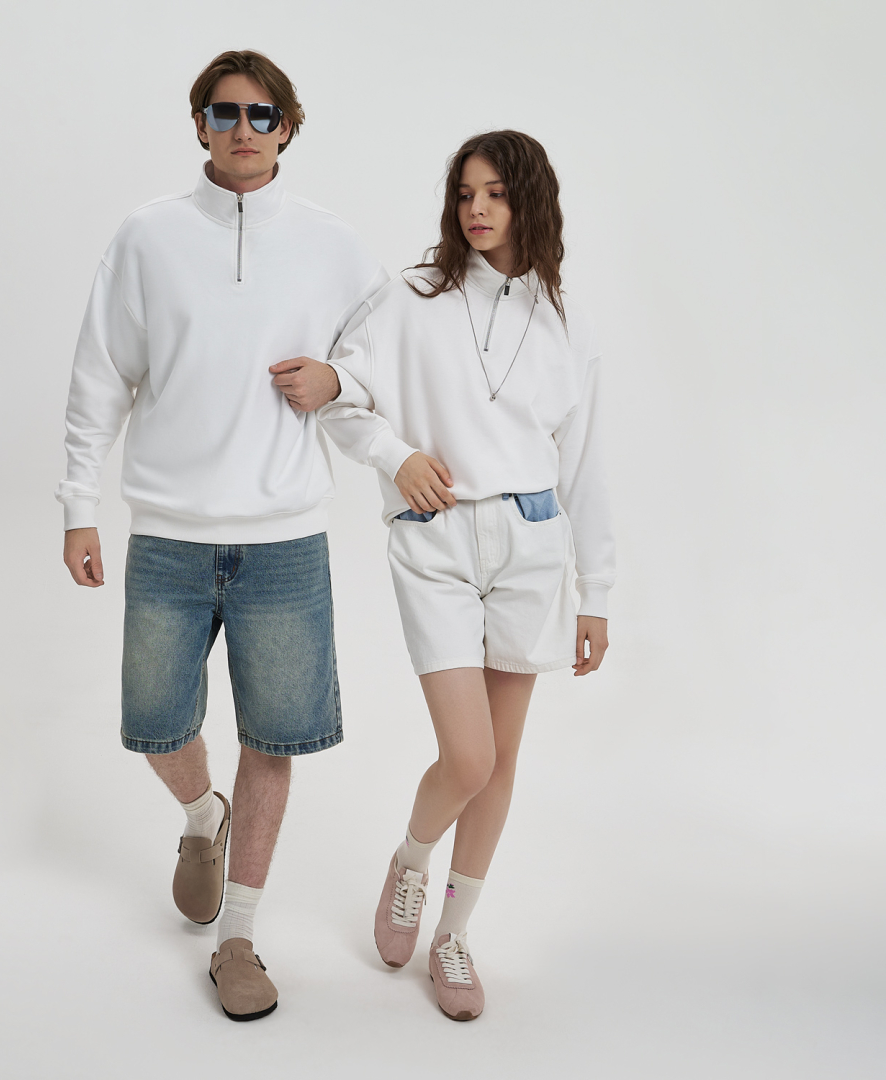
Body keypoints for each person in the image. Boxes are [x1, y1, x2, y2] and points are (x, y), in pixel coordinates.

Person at [56, 49, 386, 1021]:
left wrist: (341, 380)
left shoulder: (332, 245)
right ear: (200, 123)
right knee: (156, 726)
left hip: (285, 539)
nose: (244, 129)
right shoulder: (148, 236)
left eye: (263, 113)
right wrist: (79, 506)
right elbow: (99, 375)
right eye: (225, 112)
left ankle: (237, 938)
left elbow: (388, 358)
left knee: (274, 737)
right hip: (168, 532)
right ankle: (204, 813)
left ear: (288, 126)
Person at [318, 130, 615, 1020]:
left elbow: (585, 465)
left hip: (532, 542)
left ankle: (454, 933)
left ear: (530, 201)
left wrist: (597, 592)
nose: (477, 210)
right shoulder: (411, 298)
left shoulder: (566, 321)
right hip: (437, 541)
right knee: (469, 756)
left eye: (495, 194)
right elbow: (339, 396)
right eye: (464, 194)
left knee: (500, 763)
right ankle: (411, 861)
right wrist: (398, 457)